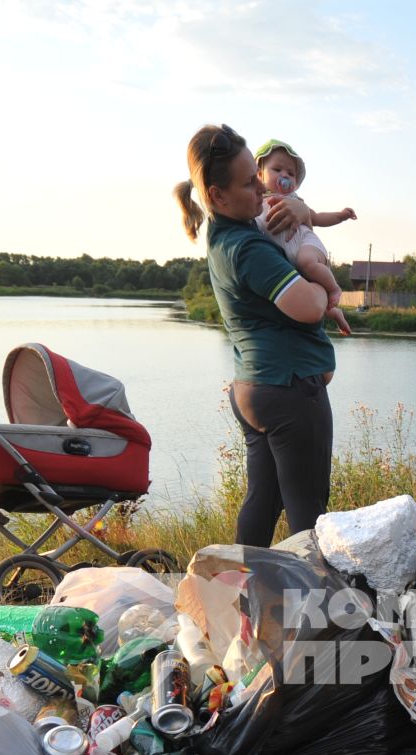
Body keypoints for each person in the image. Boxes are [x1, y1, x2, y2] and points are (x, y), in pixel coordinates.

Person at [174, 123, 336, 548]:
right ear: (216, 195)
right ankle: (310, 609)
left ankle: (244, 599)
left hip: (252, 388)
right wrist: (327, 289)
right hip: (289, 390)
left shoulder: (227, 235)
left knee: (263, 501)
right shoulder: (249, 249)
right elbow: (309, 306)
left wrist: (302, 213)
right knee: (310, 513)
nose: (262, 192)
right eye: (249, 183)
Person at [252, 139, 357, 336]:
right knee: (302, 284)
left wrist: (340, 215)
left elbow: (316, 218)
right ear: (259, 174)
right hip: (286, 256)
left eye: (290, 173)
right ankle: (334, 311)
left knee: (306, 262)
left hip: (305, 243)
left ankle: (334, 289)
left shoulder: (295, 200)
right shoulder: (256, 203)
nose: (285, 175)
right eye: (277, 169)